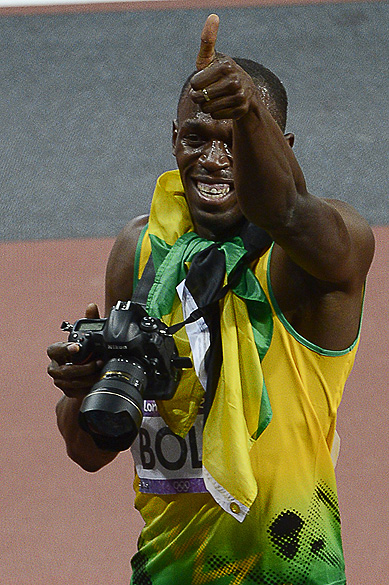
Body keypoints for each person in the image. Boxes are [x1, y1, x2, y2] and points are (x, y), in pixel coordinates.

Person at [47, 14, 374, 585]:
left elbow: (287, 210)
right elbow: (91, 450)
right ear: (174, 140)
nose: (215, 160)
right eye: (198, 137)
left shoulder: (310, 259)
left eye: (236, 141)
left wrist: (248, 112)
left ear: (281, 145)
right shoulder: (140, 253)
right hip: (165, 570)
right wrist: (86, 391)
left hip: (288, 569)